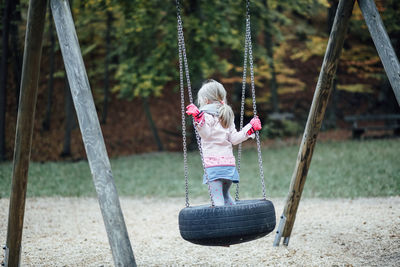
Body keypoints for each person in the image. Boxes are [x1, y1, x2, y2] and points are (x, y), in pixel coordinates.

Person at [186, 79, 262, 206]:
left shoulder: (206, 116)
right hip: (228, 168)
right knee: (226, 196)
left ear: (205, 101)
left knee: (217, 201)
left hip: (214, 167)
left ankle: (223, 224)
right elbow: (235, 139)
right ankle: (236, 221)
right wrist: (250, 129)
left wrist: (199, 119)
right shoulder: (226, 116)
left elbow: (206, 135)